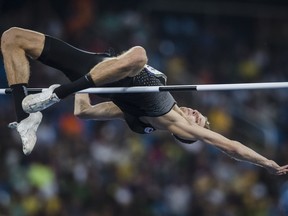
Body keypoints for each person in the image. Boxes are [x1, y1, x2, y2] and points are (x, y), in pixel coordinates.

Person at [1, 27, 288, 176]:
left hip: (105, 71)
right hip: (94, 69)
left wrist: (267, 163)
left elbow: (230, 146)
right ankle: (26, 116)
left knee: (139, 55)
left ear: (184, 132)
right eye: (200, 116)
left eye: (199, 122)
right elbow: (84, 113)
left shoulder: (170, 119)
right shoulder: (136, 111)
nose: (196, 114)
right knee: (12, 37)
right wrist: (78, 91)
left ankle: (54, 96)